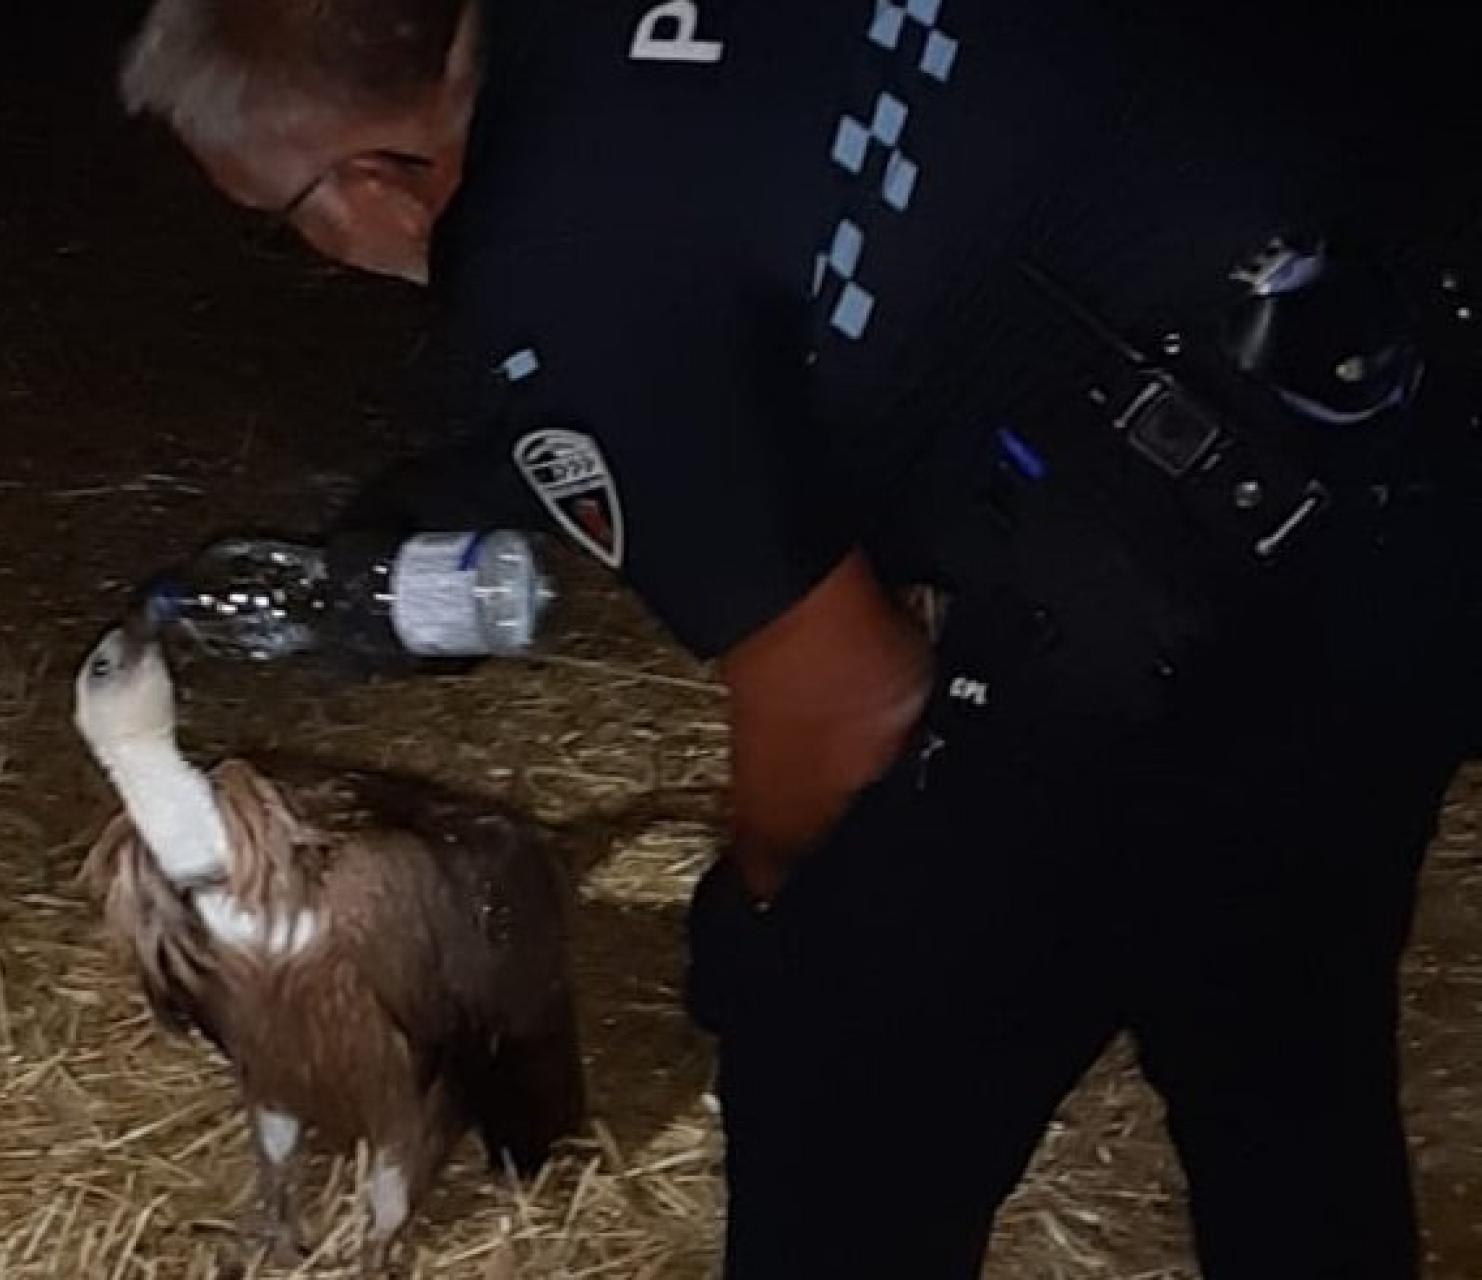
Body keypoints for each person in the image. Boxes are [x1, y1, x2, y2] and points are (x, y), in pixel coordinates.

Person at [116, 0, 1482, 1274]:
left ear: (369, 177)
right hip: (1398, 439)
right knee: (1268, 1013)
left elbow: (841, 698)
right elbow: (761, 305)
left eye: (273, 215)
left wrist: (765, 906)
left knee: (831, 1068)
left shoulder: (556, 246)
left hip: (1207, 570)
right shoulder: (606, 52)